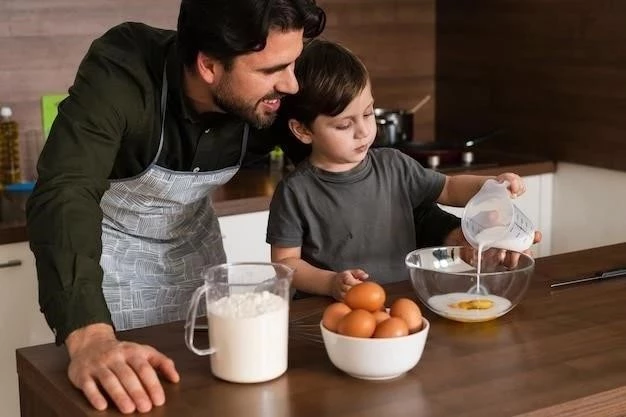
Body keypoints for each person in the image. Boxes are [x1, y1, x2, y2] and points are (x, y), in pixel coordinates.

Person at [26, 0, 325, 413]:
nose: (292, 85)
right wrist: (90, 337)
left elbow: (340, 161)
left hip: (196, 250)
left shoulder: (279, 89)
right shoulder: (124, 69)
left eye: (293, 63)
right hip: (108, 259)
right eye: (271, 71)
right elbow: (65, 190)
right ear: (208, 66)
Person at [266, 39, 539, 301]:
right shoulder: (295, 191)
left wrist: (492, 187)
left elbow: (448, 187)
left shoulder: (393, 165)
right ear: (302, 130)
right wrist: (330, 283)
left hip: (401, 300)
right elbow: (285, 263)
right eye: (344, 125)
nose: (363, 131)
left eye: (368, 113)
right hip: (329, 311)